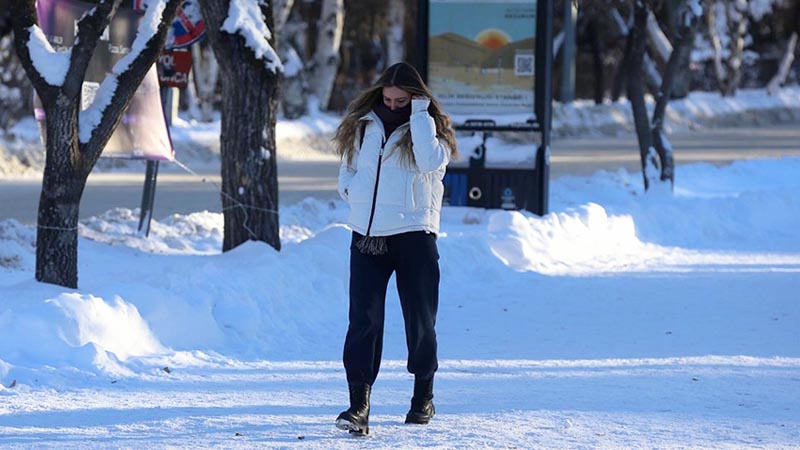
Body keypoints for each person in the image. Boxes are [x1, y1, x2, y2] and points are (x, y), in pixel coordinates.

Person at [332, 62, 458, 436]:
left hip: (414, 235)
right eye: (387, 98)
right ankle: (358, 406)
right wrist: (351, 192)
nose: (392, 104)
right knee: (363, 321)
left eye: (401, 100)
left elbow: (429, 162)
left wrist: (420, 115)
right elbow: (348, 170)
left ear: (417, 98)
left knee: (420, 320)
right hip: (368, 235)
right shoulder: (363, 125)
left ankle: (423, 397)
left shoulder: (430, 131)